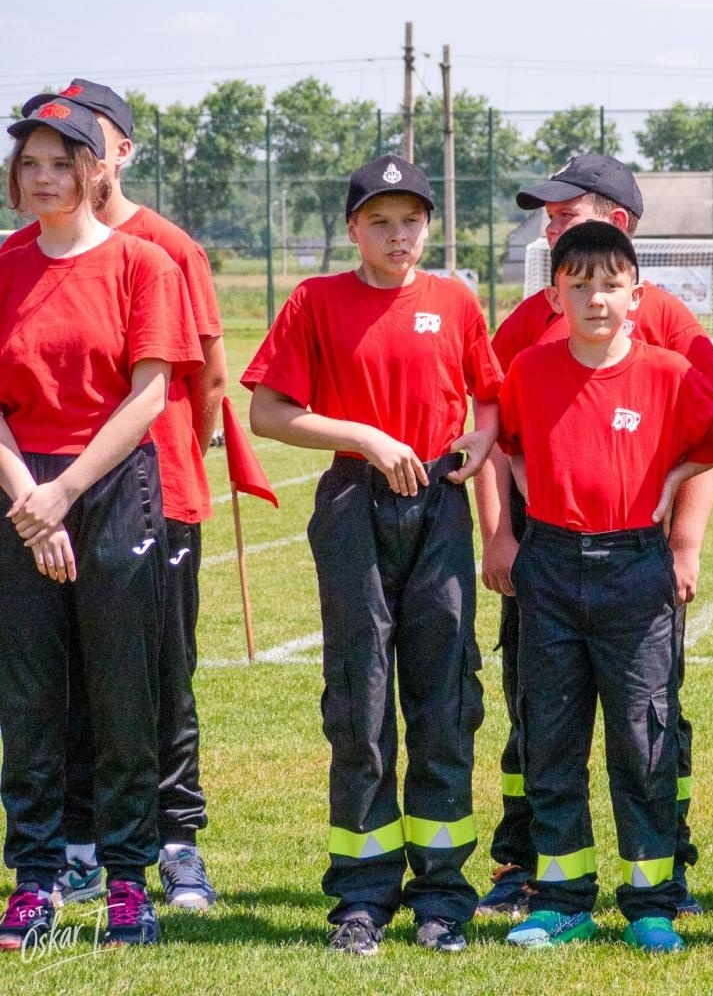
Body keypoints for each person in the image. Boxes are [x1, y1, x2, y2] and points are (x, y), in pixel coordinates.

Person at [245, 155, 500, 955]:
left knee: (443, 699)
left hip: (438, 508)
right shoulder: (316, 301)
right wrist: (359, 434)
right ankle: (361, 894)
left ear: (430, 225)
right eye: (380, 222)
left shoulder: (455, 299)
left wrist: (480, 437)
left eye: (412, 220)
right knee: (360, 702)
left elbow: (488, 394)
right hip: (355, 503)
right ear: (353, 228)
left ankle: (443, 894)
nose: (398, 235)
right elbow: (267, 412)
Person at [474, 153, 713, 919]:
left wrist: (683, 542)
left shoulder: (670, 332)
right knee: (544, 717)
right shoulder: (532, 328)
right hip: (547, 551)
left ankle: (658, 873)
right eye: (547, 217)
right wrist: (498, 532)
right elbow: (493, 422)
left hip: (634, 556)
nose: (549, 224)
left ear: (618, 227)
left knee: (646, 724)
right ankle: (539, 871)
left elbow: (701, 438)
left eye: (566, 212)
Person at [6, 79, 228, 911]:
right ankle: (43, 870)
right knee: (32, 695)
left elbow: (158, 392)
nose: (43, 177)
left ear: (97, 169)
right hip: (25, 492)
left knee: (136, 689)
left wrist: (65, 491)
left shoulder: (148, 259)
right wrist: (33, 500)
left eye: (61, 162)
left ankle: (143, 865)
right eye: (29, 163)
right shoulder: (4, 264)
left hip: (116, 488)